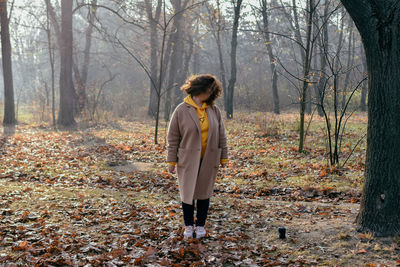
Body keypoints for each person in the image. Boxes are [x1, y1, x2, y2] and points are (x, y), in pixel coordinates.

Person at [167, 74, 228, 239]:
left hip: (209, 158)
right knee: (187, 194)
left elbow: (222, 135)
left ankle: (200, 225)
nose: (208, 94)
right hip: (186, 160)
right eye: (206, 91)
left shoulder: (214, 110)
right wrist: (171, 160)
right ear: (198, 89)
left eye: (211, 91)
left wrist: (224, 157)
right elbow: (173, 138)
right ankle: (188, 225)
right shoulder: (181, 110)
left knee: (204, 193)